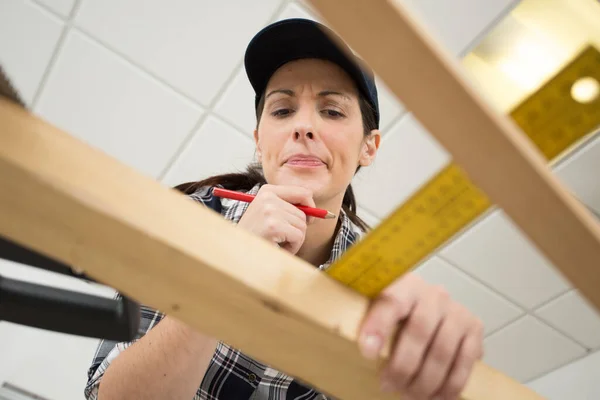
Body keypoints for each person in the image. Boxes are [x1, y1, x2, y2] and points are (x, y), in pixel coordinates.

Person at [84, 18, 484, 400]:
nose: (304, 126)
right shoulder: (185, 221)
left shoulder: (383, 290)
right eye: (282, 110)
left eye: (331, 111)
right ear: (260, 140)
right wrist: (231, 267)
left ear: (369, 146)